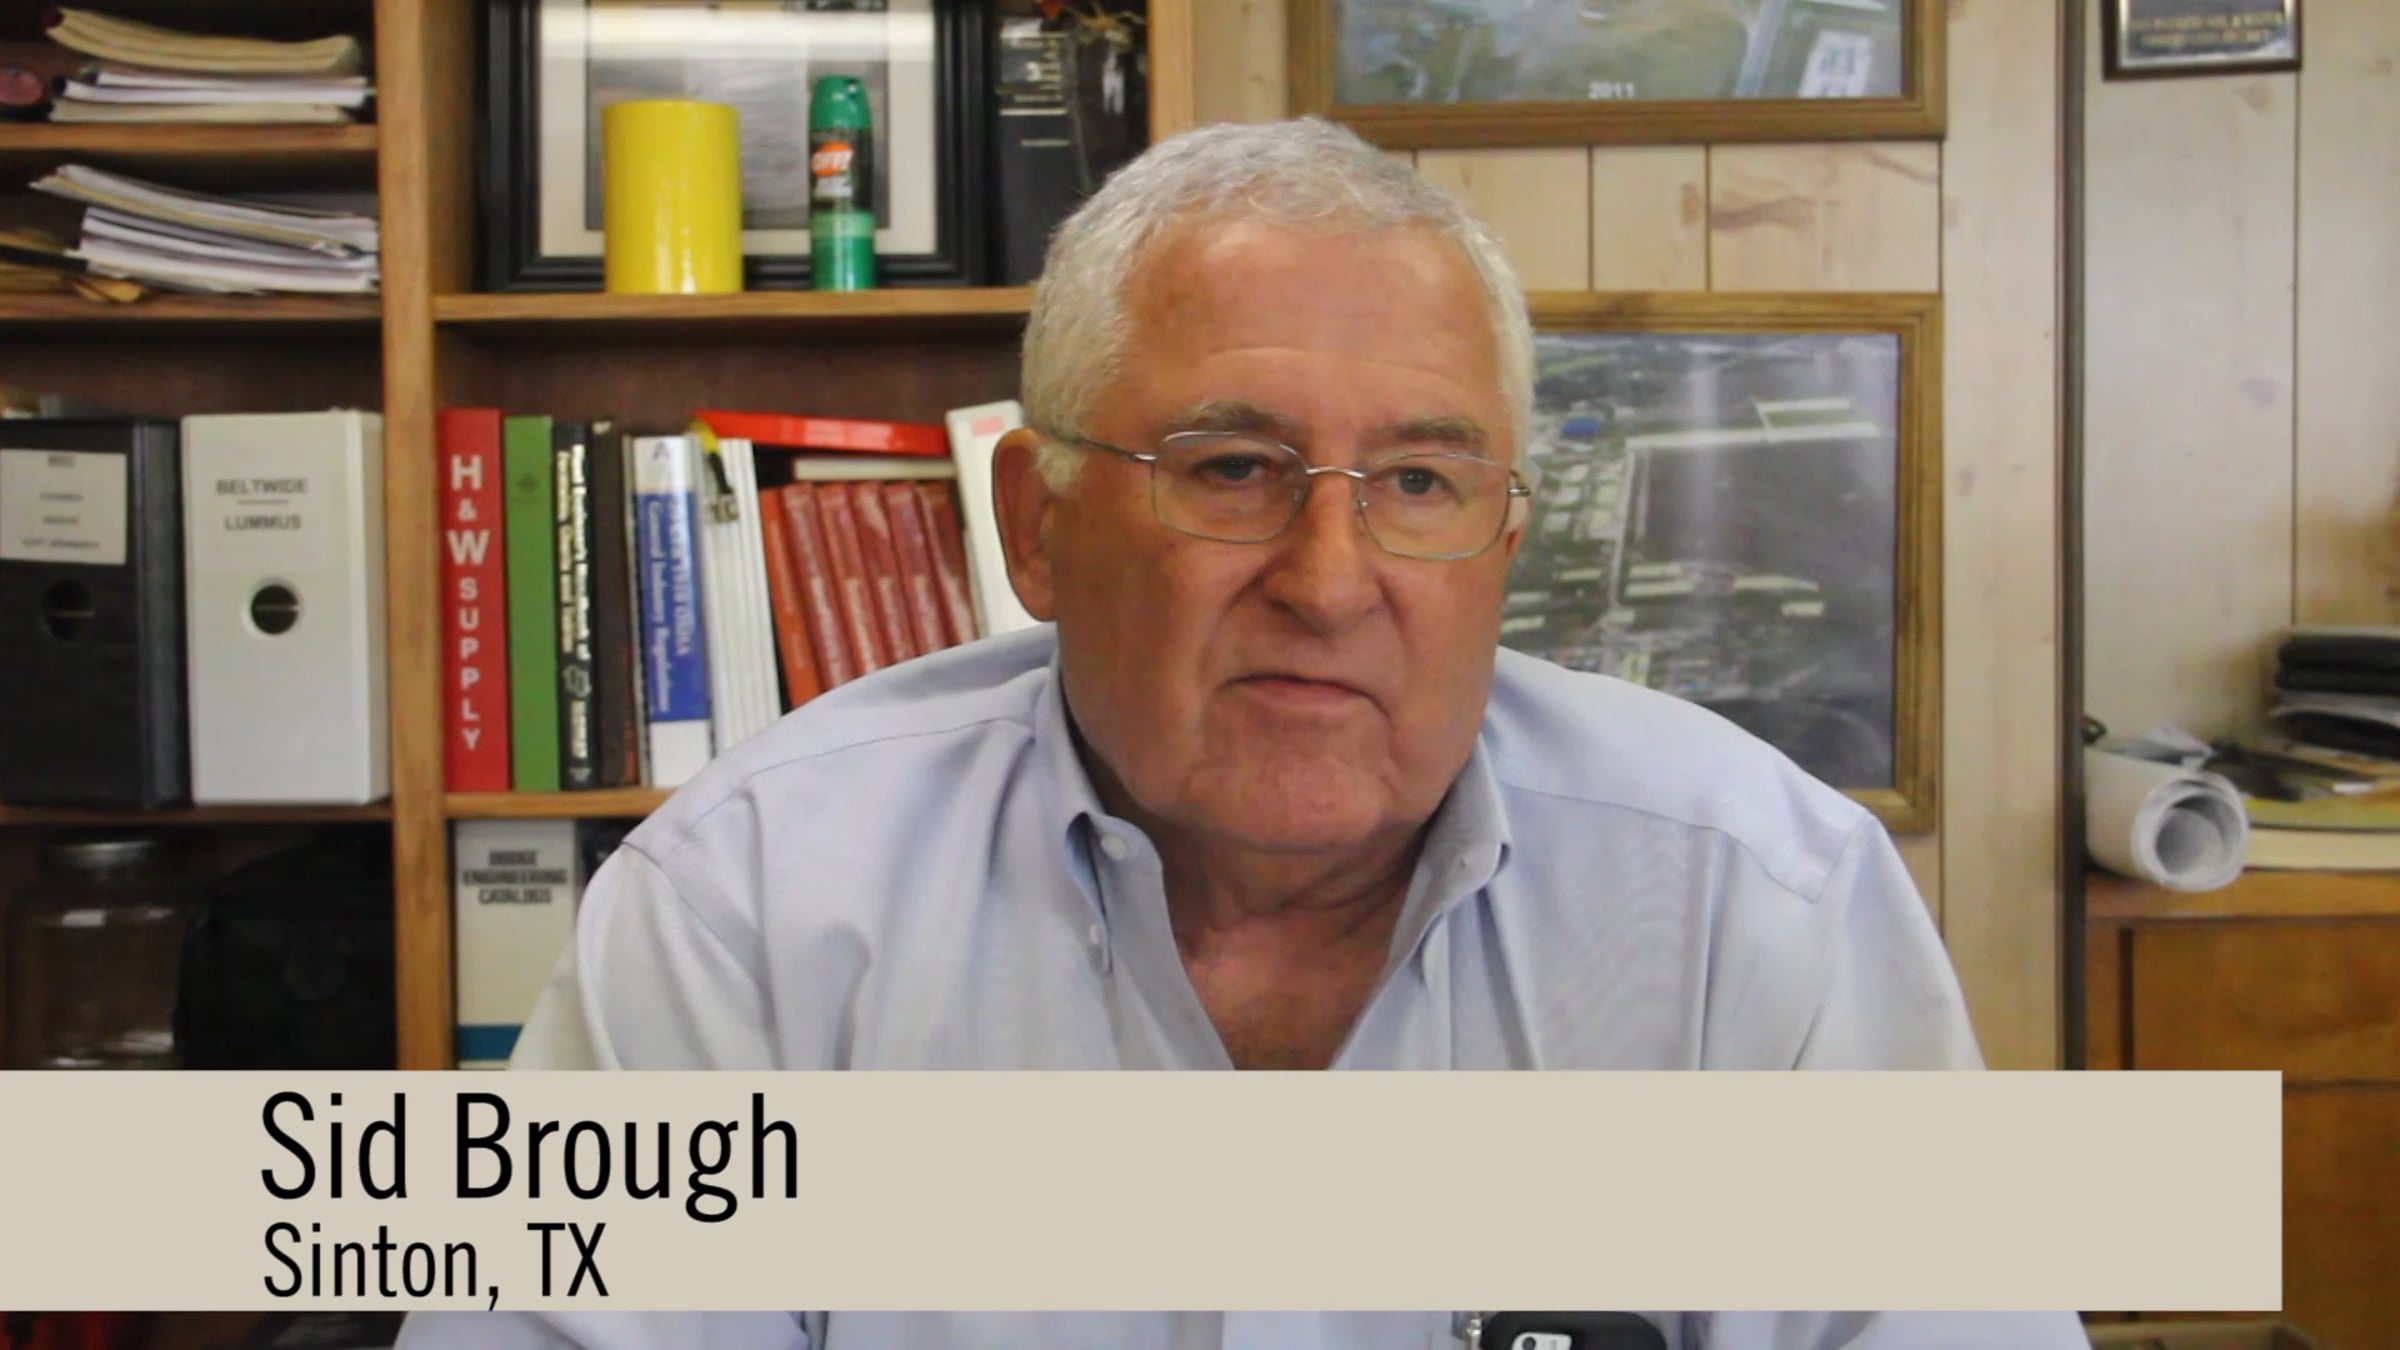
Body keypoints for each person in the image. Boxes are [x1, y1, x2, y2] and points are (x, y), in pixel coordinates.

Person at [398, 117, 2086, 1349]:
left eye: (1419, 480)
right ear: (1037, 523)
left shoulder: (1764, 908)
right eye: (1230, 468)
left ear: (1504, 542)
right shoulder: (751, 905)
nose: (1330, 579)